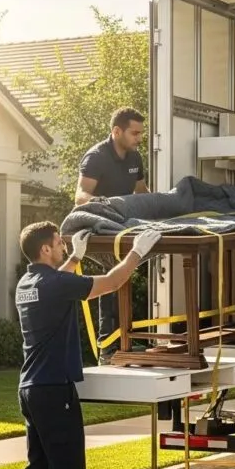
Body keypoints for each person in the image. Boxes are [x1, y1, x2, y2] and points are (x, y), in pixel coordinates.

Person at [14, 221, 162, 469]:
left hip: (30, 389)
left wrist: (76, 259)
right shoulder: (55, 283)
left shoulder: (28, 283)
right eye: (59, 244)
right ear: (45, 250)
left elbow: (59, 282)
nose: (64, 246)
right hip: (54, 390)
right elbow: (110, 283)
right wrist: (137, 252)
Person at [75, 107, 149, 364]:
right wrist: (104, 203)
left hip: (125, 228)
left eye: (141, 133)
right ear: (116, 131)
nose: (139, 138)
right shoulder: (96, 157)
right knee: (111, 281)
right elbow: (80, 197)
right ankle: (108, 349)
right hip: (99, 230)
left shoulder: (135, 158)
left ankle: (126, 342)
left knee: (125, 277)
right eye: (135, 133)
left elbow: (141, 192)